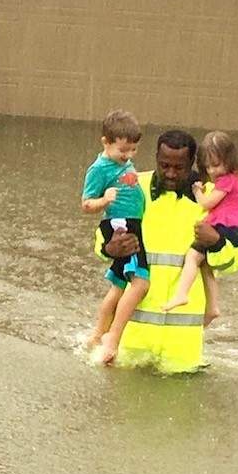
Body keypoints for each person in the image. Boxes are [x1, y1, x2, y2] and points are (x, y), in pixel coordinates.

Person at [103, 129, 238, 373]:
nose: (170, 173)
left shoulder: (215, 196)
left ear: (192, 163)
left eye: (179, 167)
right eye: (164, 165)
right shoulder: (132, 185)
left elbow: (237, 258)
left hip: (182, 353)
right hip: (130, 346)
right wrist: (109, 247)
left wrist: (215, 242)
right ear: (155, 158)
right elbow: (103, 234)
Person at [162, 131, 238, 321]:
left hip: (227, 226)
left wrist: (198, 191)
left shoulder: (227, 180)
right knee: (205, 264)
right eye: (207, 166)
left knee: (192, 256)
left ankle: (182, 293)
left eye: (215, 165)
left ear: (229, 160)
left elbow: (206, 203)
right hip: (234, 226)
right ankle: (212, 306)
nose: (212, 171)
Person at [81, 109, 149, 364]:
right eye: (123, 151)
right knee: (140, 283)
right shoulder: (98, 169)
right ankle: (112, 338)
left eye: (133, 150)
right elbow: (86, 204)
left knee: (118, 285)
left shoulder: (122, 162)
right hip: (121, 227)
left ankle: (97, 334)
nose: (128, 156)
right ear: (105, 143)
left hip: (132, 223)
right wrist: (104, 200)